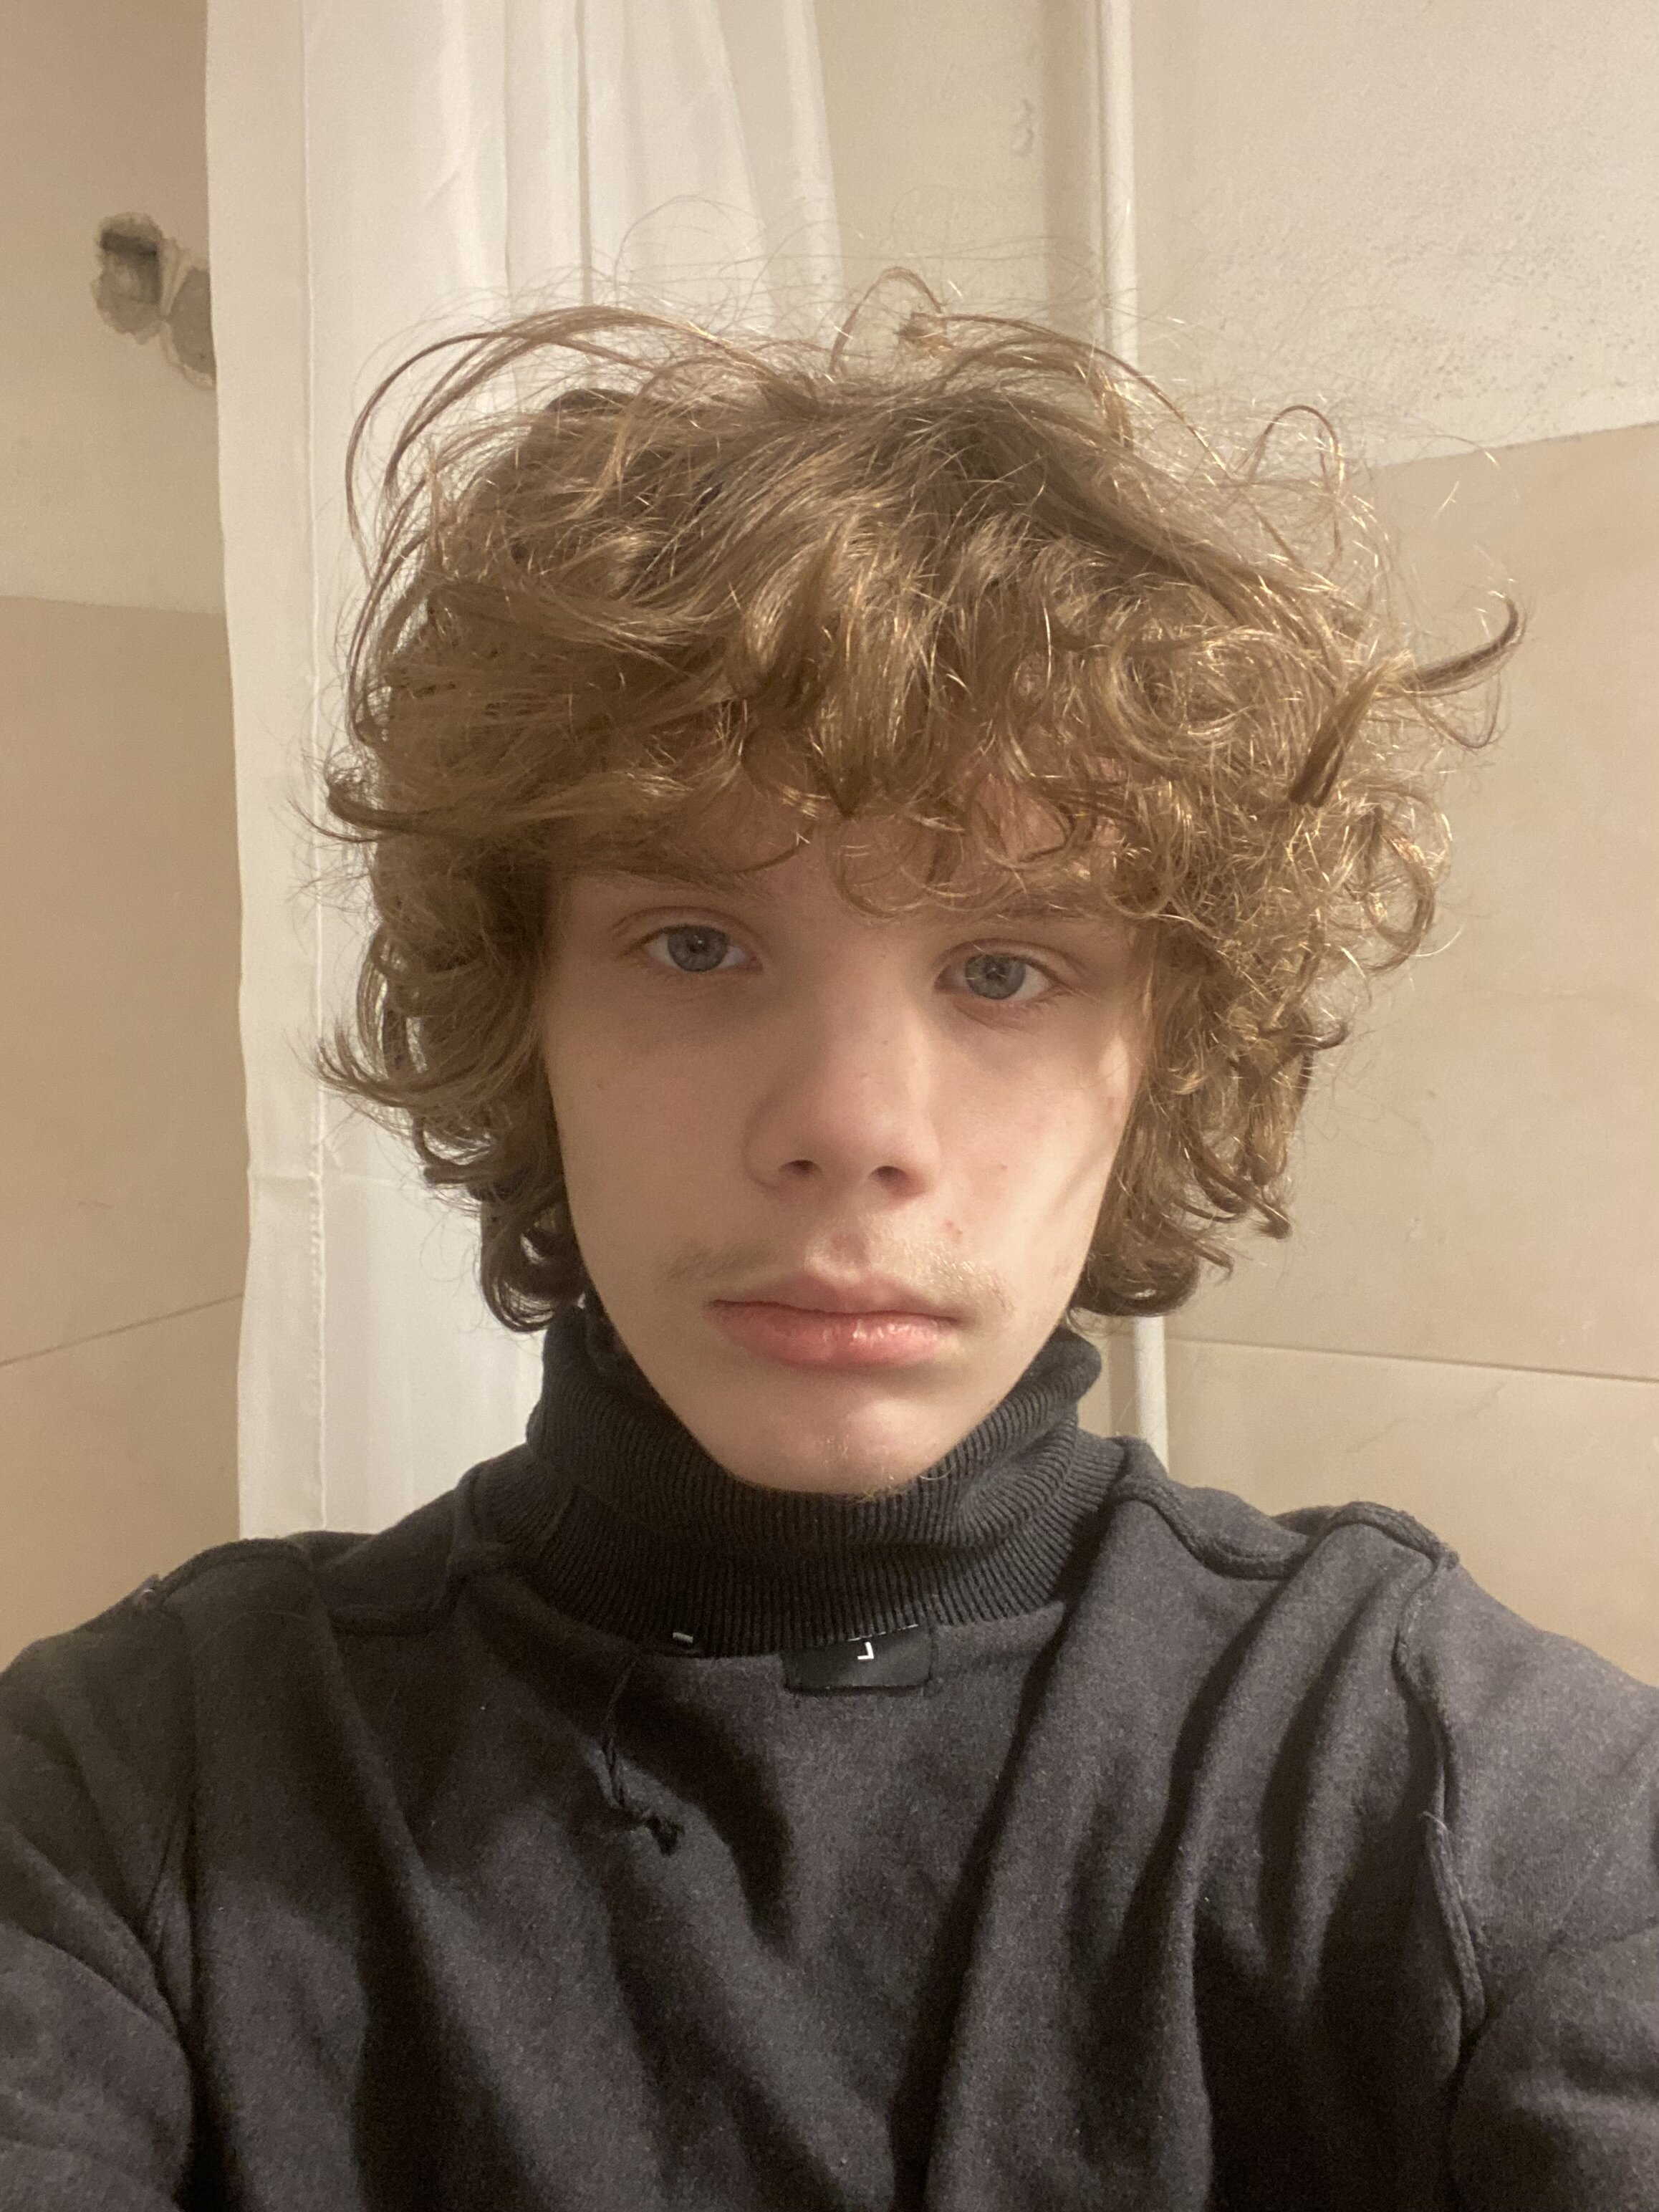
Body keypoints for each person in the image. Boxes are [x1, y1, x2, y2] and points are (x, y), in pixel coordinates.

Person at [1, 291, 1653, 2212]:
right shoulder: (131, 1789)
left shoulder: (1460, 1788)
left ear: (1162, 1058)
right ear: (525, 1015)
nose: (854, 1122)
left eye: (1005, 967)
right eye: (696, 943)